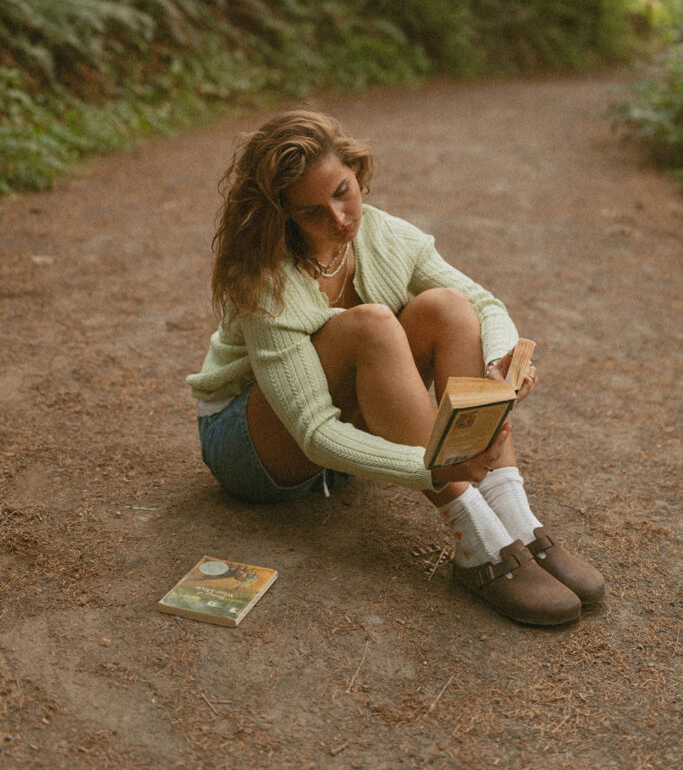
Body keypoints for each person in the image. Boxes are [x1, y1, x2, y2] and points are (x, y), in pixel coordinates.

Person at [187, 109, 604, 625]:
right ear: (283, 215)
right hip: (257, 449)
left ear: (356, 171)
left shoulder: (383, 234)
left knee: (447, 307)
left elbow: (484, 304)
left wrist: (500, 360)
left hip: (347, 444)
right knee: (371, 325)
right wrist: (433, 468)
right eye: (313, 211)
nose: (340, 218)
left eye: (343, 191)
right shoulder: (264, 281)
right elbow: (314, 432)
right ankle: (478, 545)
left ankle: (515, 517)